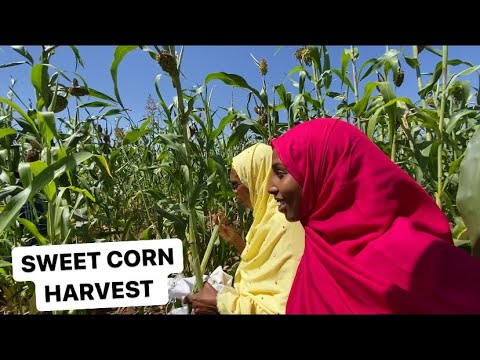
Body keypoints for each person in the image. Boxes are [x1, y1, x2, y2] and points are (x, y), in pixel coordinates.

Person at [268, 118, 480, 314]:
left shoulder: (419, 262)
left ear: (325, 172)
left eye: (281, 174)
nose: (270, 187)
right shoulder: (318, 250)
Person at [185, 143, 305, 314]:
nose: (234, 192)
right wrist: (234, 238)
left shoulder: (287, 223)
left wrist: (223, 304)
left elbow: (283, 306)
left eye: (235, 185)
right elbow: (263, 266)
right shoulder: (266, 218)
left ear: (256, 179)